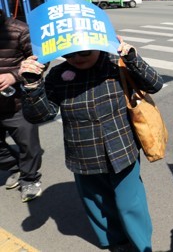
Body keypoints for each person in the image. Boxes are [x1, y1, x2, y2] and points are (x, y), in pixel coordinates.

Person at [19, 38, 163, 252]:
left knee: (130, 204)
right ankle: (115, 243)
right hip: (82, 154)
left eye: (84, 52)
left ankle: (143, 247)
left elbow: (155, 83)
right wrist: (32, 84)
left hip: (122, 149)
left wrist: (133, 58)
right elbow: (41, 115)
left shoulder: (117, 63)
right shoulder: (58, 75)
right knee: (97, 204)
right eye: (69, 53)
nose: (76, 58)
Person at [0, 9, 43, 202]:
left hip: (17, 102)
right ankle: (17, 164)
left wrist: (14, 76)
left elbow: (41, 59)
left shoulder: (19, 30)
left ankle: (30, 178)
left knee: (28, 145)